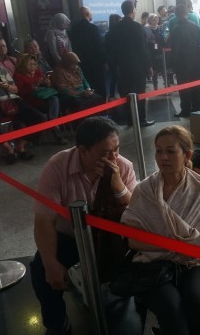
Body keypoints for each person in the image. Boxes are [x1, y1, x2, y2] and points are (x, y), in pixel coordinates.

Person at [31, 117, 137, 334]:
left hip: (111, 236)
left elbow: (137, 211)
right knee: (41, 269)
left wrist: (118, 186)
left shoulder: (123, 167)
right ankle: (57, 324)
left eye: (116, 149)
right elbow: (44, 220)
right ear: (83, 151)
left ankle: (120, 311)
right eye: (106, 153)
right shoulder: (57, 168)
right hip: (71, 237)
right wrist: (51, 262)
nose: (113, 158)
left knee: (135, 266)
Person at [120, 125, 200, 335]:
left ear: (187, 154)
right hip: (153, 263)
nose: (163, 157)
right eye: (158, 150)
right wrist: (171, 246)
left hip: (196, 261)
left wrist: (169, 245)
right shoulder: (145, 190)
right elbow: (132, 239)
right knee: (170, 306)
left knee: (196, 297)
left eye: (170, 151)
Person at [106, 0, 154, 127]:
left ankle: (130, 120)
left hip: (122, 67)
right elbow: (143, 49)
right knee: (140, 92)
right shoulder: (137, 27)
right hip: (138, 66)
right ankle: (142, 119)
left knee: (126, 95)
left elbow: (111, 50)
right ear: (133, 11)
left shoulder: (115, 29)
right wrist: (148, 66)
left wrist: (115, 65)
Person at [13, 53, 66, 144]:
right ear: (23, 64)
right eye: (30, 64)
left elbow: (45, 84)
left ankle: (53, 123)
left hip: (42, 99)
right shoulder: (18, 75)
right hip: (29, 102)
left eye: (34, 64)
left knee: (55, 99)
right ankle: (55, 129)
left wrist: (46, 82)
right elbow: (19, 93)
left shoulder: (37, 72)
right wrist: (33, 85)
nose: (33, 67)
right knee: (53, 105)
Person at [169, 4, 200, 117]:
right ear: (186, 13)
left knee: (184, 87)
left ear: (177, 15)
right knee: (195, 85)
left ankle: (185, 110)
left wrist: (173, 64)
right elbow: (198, 43)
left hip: (182, 62)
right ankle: (197, 106)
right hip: (195, 60)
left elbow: (175, 48)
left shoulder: (176, 28)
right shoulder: (195, 26)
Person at [69, 6, 106, 97]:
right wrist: (104, 61)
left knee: (87, 87)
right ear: (88, 14)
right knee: (99, 88)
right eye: (91, 13)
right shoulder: (93, 28)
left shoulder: (74, 29)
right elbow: (99, 46)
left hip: (81, 64)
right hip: (95, 64)